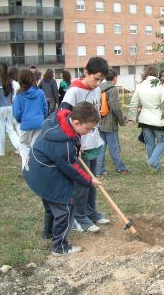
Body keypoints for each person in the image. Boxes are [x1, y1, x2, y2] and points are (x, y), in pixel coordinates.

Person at [23, 102, 102, 256]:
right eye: (88, 129)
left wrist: (75, 150)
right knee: (66, 207)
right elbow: (71, 168)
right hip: (46, 175)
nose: (89, 132)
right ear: (77, 122)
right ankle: (59, 247)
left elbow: (70, 147)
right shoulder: (63, 144)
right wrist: (89, 181)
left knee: (50, 204)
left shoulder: (59, 119)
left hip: (35, 170)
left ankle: (49, 233)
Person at [60, 56, 109, 233]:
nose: (98, 83)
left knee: (93, 181)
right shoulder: (74, 92)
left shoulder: (97, 90)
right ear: (86, 72)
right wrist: (73, 144)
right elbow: (63, 118)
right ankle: (78, 217)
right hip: (80, 146)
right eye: (96, 78)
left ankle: (91, 212)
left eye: (101, 80)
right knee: (82, 184)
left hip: (94, 142)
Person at [127, 65, 164, 171]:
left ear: (146, 74)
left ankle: (154, 168)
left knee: (149, 143)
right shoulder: (161, 85)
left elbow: (133, 103)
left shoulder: (140, 86)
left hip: (144, 119)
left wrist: (131, 118)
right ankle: (153, 162)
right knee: (163, 142)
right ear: (156, 74)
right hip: (158, 120)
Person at [95, 68, 129, 175]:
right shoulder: (112, 89)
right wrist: (122, 121)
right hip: (110, 124)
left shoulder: (99, 88)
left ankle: (99, 169)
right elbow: (116, 108)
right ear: (115, 78)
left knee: (101, 147)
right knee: (114, 147)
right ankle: (120, 168)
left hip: (100, 122)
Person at [12, 69, 48, 169]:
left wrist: (20, 120)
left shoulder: (19, 95)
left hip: (26, 123)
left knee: (23, 144)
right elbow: (45, 108)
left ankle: (26, 166)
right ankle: (35, 165)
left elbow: (16, 112)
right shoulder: (40, 92)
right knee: (34, 145)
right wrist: (42, 118)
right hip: (39, 122)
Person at [0, 62, 20, 156]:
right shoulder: (9, 80)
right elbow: (11, 96)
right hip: (9, 107)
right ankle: (20, 147)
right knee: (10, 129)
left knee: (0, 130)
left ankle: (1, 151)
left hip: (0, 108)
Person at [8, 66, 21, 136]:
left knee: (16, 126)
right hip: (18, 105)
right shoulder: (18, 83)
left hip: (14, 105)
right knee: (18, 125)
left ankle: (20, 144)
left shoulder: (12, 83)